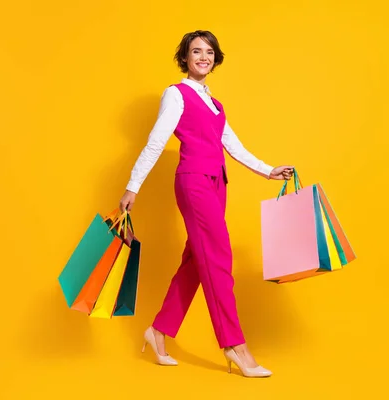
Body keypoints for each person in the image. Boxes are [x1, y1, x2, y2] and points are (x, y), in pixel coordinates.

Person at [118, 30, 294, 378]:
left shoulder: (215, 104)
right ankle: (234, 345)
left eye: (209, 52)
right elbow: (156, 143)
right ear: (184, 58)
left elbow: (233, 144)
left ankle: (158, 331)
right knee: (218, 258)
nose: (203, 57)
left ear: (215, 58)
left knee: (197, 261)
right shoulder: (176, 95)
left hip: (217, 184)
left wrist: (268, 171)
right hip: (194, 183)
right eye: (195, 51)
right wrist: (132, 187)